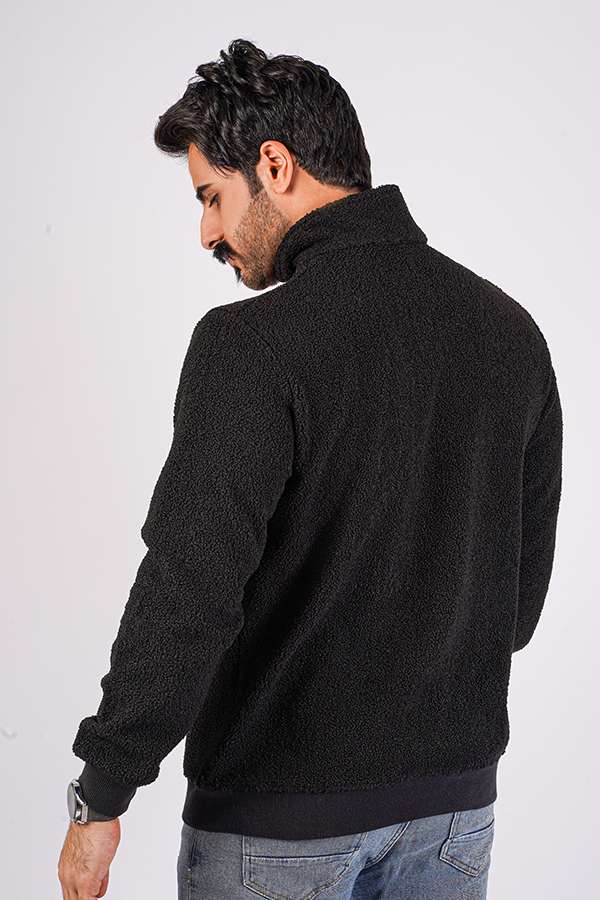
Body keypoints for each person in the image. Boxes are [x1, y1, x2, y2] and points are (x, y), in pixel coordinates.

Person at [58, 38, 563, 899]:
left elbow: (188, 591)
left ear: (275, 165)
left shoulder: (251, 346)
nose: (207, 233)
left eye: (211, 197)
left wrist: (101, 792)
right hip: (453, 815)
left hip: (276, 825)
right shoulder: (510, 334)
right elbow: (514, 608)